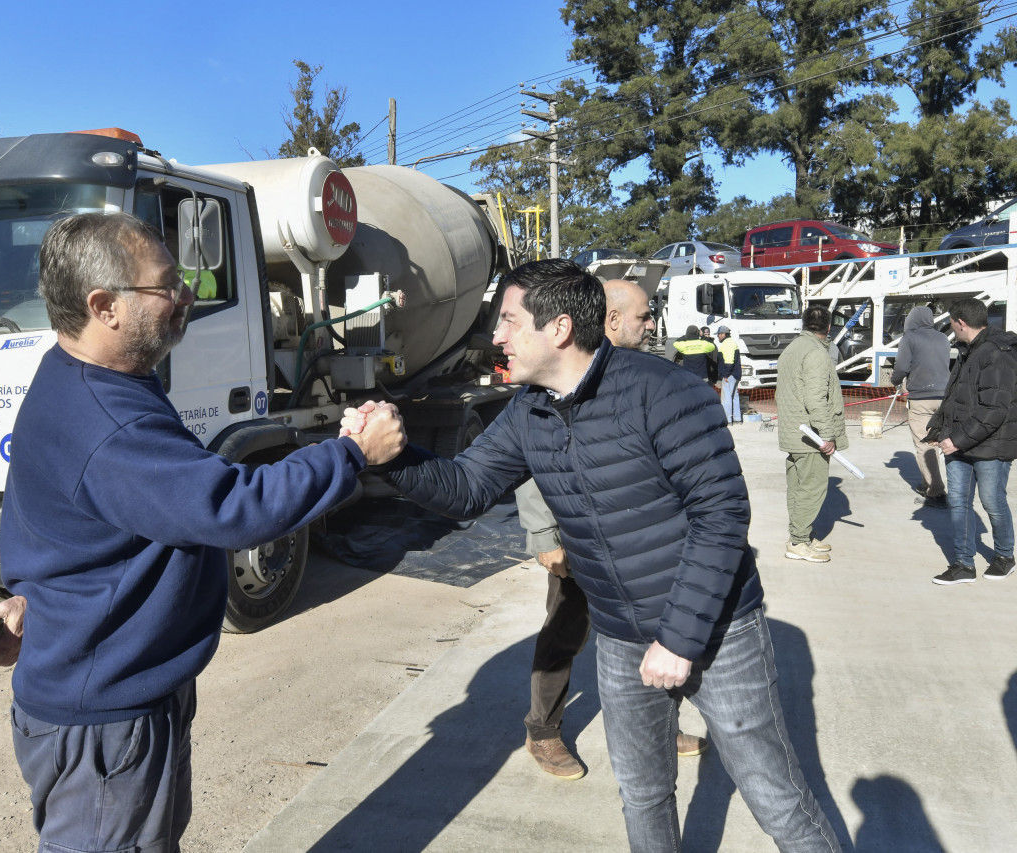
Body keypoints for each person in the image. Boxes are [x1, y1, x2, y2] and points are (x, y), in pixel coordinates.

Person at [350, 260, 840, 852]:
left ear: (557, 329)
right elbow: (468, 488)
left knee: (773, 794)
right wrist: (393, 457)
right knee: (642, 792)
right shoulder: (528, 411)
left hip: (717, 630)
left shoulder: (665, 391)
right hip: (619, 634)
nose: (497, 335)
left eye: (507, 320)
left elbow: (722, 517)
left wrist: (681, 640)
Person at [0, 212, 405, 853]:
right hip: (109, 716)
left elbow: (59, 522)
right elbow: (234, 508)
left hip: (105, 681)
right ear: (104, 306)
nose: (187, 296)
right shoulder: (107, 419)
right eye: (166, 285)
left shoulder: (81, 378)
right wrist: (352, 453)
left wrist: (41, 604)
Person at [515, 279, 705, 781]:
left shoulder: (642, 377)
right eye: (643, 317)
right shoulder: (558, 379)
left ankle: (661, 726)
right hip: (578, 544)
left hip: (638, 547)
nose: (650, 325)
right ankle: (543, 731)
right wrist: (546, 537)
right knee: (566, 632)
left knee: (652, 634)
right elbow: (532, 464)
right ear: (613, 321)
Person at [926, 297, 1017, 585]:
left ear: (960, 322)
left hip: (990, 445)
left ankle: (1004, 555)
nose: (951, 329)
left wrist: (958, 439)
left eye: (951, 323)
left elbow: (994, 409)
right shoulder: (969, 351)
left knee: (992, 501)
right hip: (959, 443)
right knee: (959, 504)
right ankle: (964, 563)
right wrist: (939, 430)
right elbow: (955, 397)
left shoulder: (997, 354)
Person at [776, 304, 848, 563]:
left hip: (794, 433)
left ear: (803, 324)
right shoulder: (816, 354)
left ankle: (801, 535)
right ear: (829, 328)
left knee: (797, 487)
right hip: (811, 437)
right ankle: (798, 542)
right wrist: (827, 435)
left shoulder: (792, 349)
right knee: (811, 489)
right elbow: (816, 399)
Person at [889, 305, 951, 509]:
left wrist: (894, 380)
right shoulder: (942, 338)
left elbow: (901, 367)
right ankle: (928, 483)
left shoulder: (910, 338)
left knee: (924, 445)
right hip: (944, 396)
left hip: (921, 398)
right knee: (939, 443)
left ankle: (936, 492)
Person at [715, 325, 743, 424]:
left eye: (719, 334)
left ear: (723, 334)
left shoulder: (727, 344)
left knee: (726, 398)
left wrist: (725, 375)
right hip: (736, 374)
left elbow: (729, 362)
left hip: (729, 375)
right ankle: (737, 419)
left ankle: (727, 420)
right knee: (734, 396)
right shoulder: (732, 342)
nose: (718, 336)